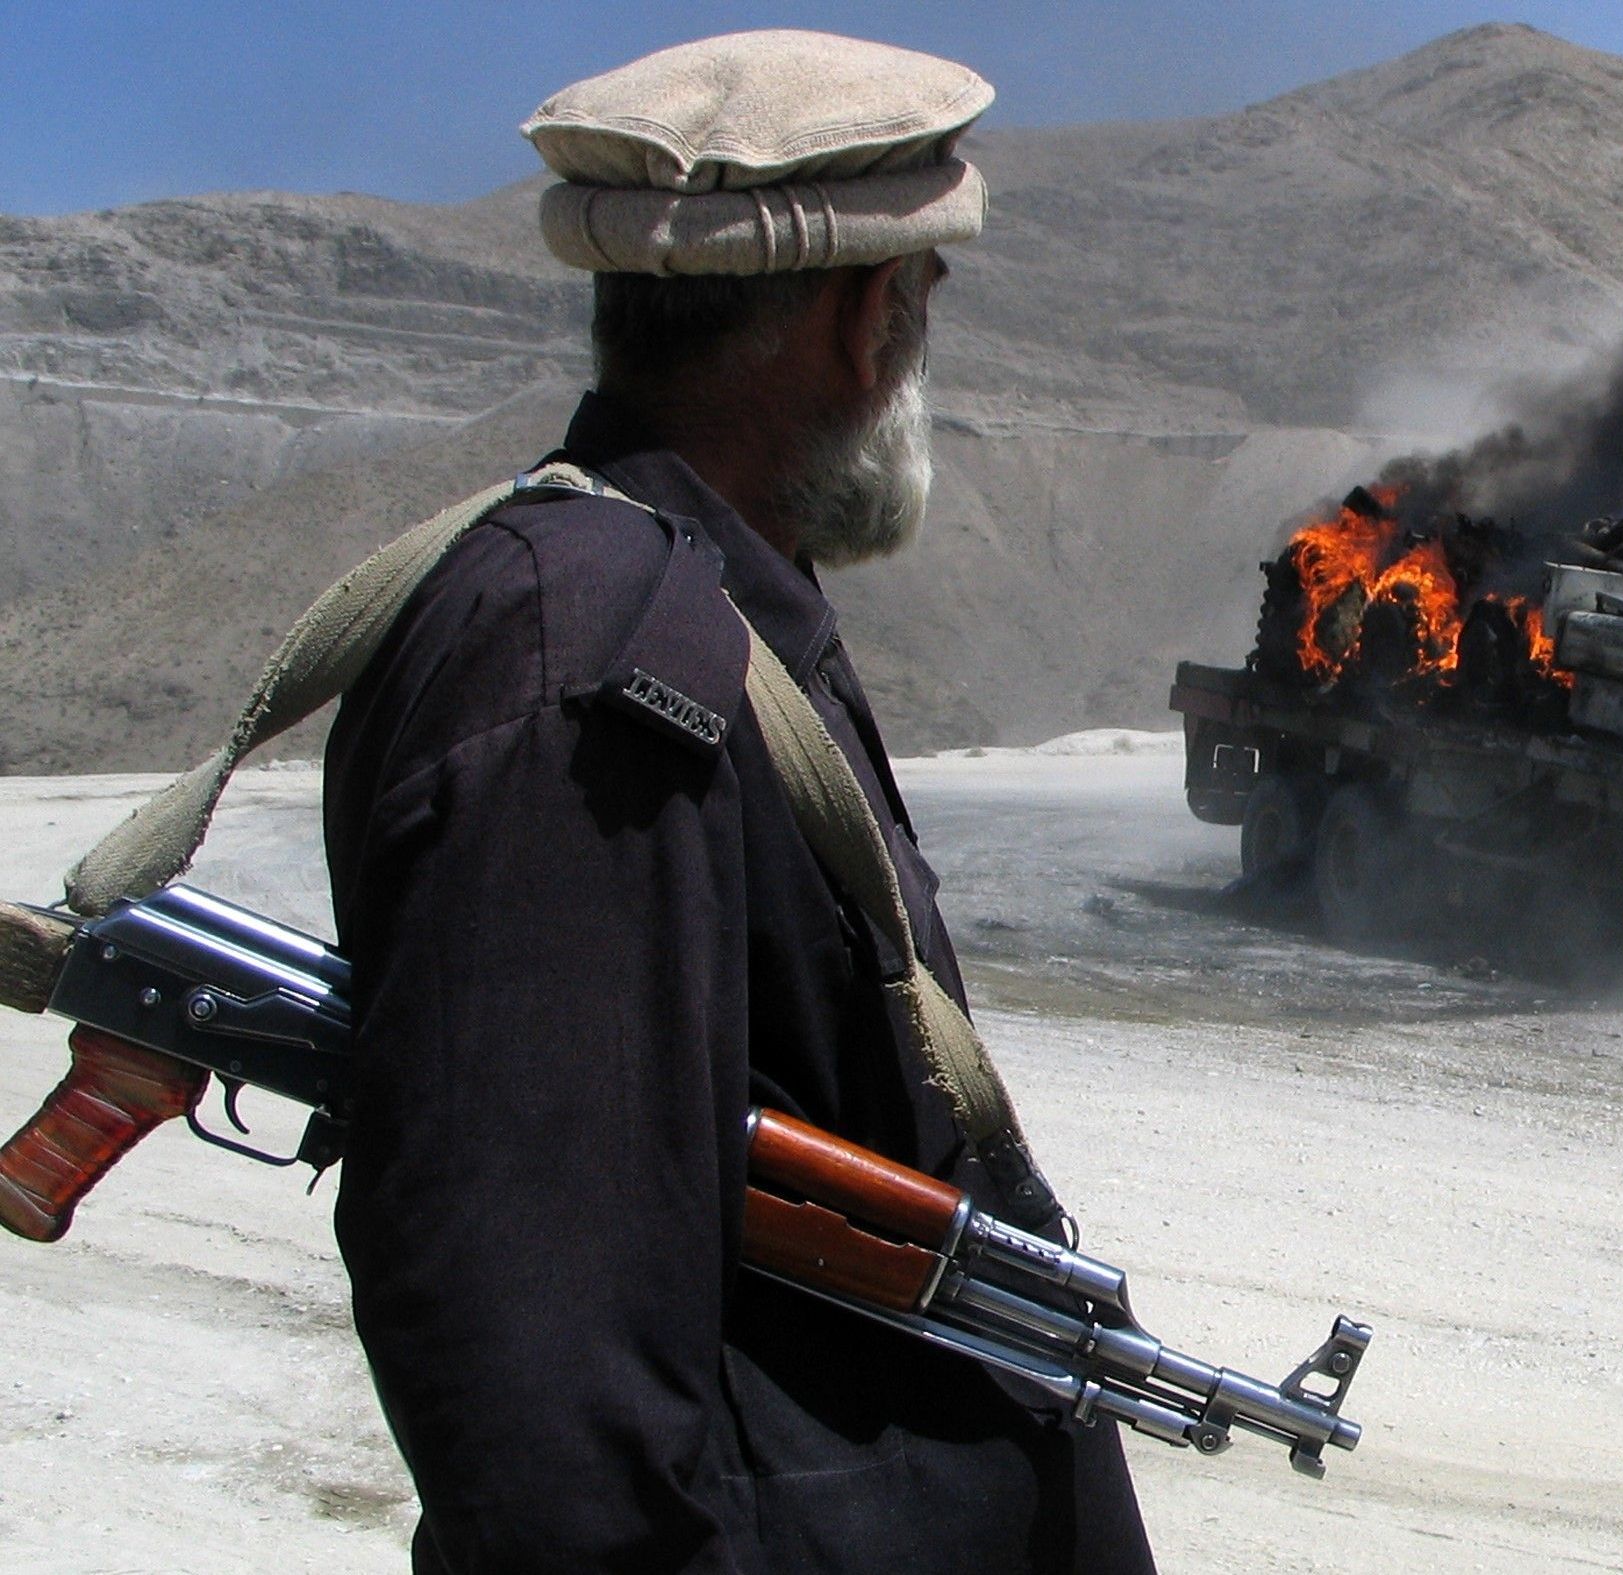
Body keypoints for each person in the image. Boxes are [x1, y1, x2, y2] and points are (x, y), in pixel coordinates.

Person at [320, 31, 1154, 1572]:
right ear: (867, 315)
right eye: (925, 303)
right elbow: (547, 1393)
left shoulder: (687, 613)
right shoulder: (600, 663)